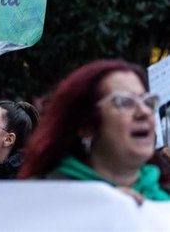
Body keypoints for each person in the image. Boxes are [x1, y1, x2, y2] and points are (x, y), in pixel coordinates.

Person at [19, 59, 170, 202]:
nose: (144, 112)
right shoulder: (37, 199)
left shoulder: (163, 201)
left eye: (148, 102)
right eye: (125, 102)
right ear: (86, 126)